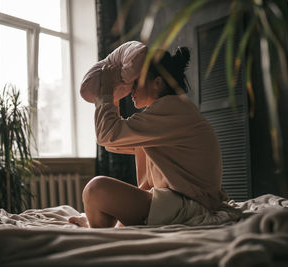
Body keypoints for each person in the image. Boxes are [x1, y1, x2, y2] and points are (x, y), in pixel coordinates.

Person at [70, 47, 234, 228]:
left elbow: (108, 136)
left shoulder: (171, 110)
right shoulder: (169, 112)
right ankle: (100, 224)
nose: (131, 88)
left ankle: (99, 225)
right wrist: (112, 97)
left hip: (191, 206)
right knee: (96, 192)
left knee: (95, 189)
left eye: (136, 81)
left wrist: (107, 91)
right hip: (181, 202)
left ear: (157, 83)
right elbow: (113, 143)